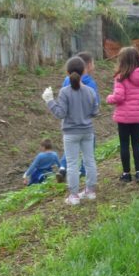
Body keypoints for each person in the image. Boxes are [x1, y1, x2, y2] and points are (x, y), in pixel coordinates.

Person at [43, 56, 99, 205]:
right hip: (87, 131)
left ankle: (74, 196)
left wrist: (49, 100)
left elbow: (60, 113)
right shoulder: (90, 91)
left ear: (68, 73)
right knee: (89, 160)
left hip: (71, 133)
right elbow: (95, 112)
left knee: (72, 164)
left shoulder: (64, 92)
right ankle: (90, 191)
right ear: (84, 71)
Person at [106, 47, 139, 183]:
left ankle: (126, 174)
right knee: (136, 144)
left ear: (122, 61)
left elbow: (119, 97)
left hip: (123, 117)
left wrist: (109, 98)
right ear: (137, 59)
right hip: (137, 117)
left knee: (124, 144)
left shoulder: (121, 77)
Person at [58, 51, 99, 181]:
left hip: (69, 126)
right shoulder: (91, 84)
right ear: (86, 66)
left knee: (70, 153)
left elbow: (61, 105)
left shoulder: (66, 81)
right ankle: (84, 171)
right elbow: (95, 107)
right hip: (86, 126)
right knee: (89, 154)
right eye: (93, 63)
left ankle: (63, 168)